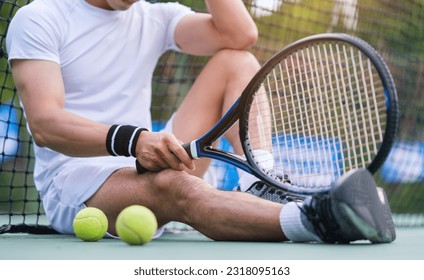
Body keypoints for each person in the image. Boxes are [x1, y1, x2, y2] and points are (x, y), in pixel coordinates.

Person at [6, 0, 396, 243]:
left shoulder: (153, 16)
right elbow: (46, 123)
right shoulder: (40, 17)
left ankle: (261, 180)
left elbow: (239, 33)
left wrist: (144, 144)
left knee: (236, 60)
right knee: (177, 188)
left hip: (148, 155)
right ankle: (319, 219)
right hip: (78, 184)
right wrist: (136, 140)